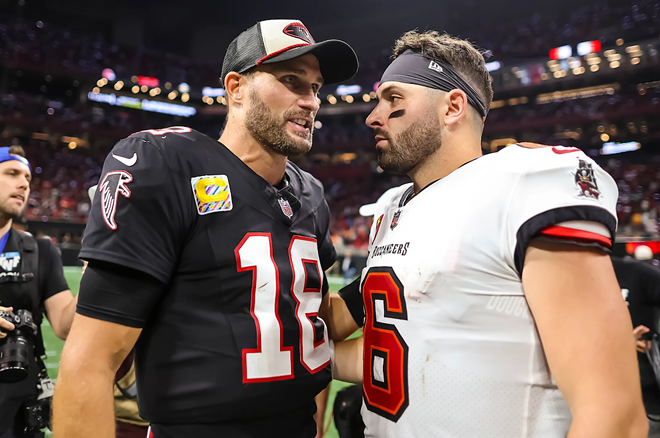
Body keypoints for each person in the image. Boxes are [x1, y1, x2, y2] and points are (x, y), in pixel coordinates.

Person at [330, 30, 646, 438]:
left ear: (453, 107)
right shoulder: (393, 209)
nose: (374, 116)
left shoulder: (521, 183)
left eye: (394, 100)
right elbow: (401, 354)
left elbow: (613, 414)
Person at [53, 19, 358, 438]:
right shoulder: (166, 162)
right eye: (291, 80)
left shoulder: (311, 194)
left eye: (316, 87)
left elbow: (311, 324)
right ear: (236, 88)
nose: (310, 101)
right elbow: (90, 359)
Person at [0, 146, 77, 438]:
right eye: (11, 173)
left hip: (17, 412)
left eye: (28, 178)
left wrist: (100, 273)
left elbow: (65, 326)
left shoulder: (41, 251)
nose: (24, 183)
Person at [612, 255, 660, 438]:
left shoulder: (635, 273)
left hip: (644, 397)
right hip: (592, 395)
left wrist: (655, 344)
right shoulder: (570, 279)